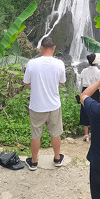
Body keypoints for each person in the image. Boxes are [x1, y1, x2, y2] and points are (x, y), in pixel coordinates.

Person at [22, 37, 66, 170]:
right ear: (54, 48)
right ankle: (57, 159)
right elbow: (62, 82)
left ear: (41, 48)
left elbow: (26, 82)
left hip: (36, 106)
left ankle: (34, 162)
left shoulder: (32, 63)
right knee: (55, 133)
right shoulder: (60, 64)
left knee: (35, 135)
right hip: (53, 105)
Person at [79, 53, 100, 141]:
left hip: (85, 91)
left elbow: (81, 84)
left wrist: (80, 94)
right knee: (95, 112)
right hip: (95, 92)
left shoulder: (84, 71)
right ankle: (93, 133)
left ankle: (86, 134)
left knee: (85, 111)